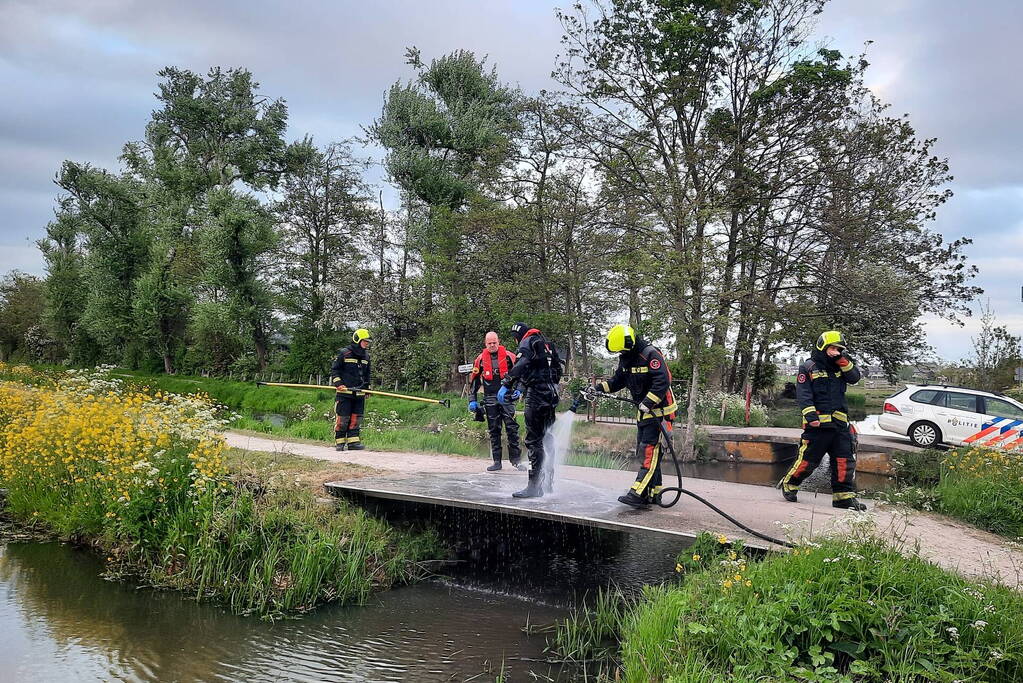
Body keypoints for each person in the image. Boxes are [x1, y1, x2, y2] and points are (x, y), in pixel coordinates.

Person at [780, 330, 867, 511]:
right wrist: (811, 417)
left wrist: (841, 360)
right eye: (833, 348)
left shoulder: (841, 366)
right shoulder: (808, 367)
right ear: (823, 346)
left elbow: (855, 378)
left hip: (840, 425)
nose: (836, 351)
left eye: (839, 349)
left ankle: (843, 498)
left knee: (845, 461)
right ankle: (790, 484)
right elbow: (804, 394)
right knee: (809, 461)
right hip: (817, 426)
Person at [598, 324, 677, 509]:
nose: (621, 354)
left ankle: (637, 493)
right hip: (644, 413)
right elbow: (618, 381)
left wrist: (648, 402)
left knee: (649, 451)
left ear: (630, 343)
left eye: (623, 351)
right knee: (647, 452)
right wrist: (598, 389)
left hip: (660, 414)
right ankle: (653, 493)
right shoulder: (626, 358)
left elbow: (663, 380)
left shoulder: (650, 354)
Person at [497, 322, 562, 498]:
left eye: (515, 337)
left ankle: (534, 486)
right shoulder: (546, 344)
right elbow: (556, 370)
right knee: (547, 437)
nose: (516, 341)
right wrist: (523, 387)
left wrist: (506, 384)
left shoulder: (527, 342)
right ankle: (548, 481)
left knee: (534, 440)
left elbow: (521, 363)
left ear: (519, 335)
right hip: (551, 396)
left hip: (537, 398)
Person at [468, 331, 525, 472]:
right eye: (489, 343)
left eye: (494, 342)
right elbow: (474, 381)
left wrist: (519, 389)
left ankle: (516, 461)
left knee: (512, 429)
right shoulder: (480, 359)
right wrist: (472, 400)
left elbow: (520, 375)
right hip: (490, 398)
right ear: (485, 343)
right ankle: (497, 461)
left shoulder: (509, 356)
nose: (492, 345)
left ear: (498, 342)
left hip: (507, 398)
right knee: (494, 430)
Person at [330, 328, 372, 451]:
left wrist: (367, 388)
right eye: (365, 341)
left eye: (367, 341)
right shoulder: (344, 353)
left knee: (356, 418)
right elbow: (335, 370)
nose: (367, 344)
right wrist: (338, 384)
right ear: (358, 340)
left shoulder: (366, 357)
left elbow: (367, 375)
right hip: (344, 393)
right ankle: (340, 442)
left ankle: (354, 442)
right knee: (343, 419)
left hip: (359, 393)